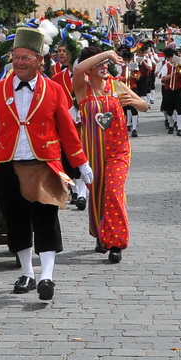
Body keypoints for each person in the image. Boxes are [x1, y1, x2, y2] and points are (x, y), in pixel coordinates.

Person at [0, 27, 90, 303]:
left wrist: (81, 164)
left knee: (46, 220)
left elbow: (68, 131)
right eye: (16, 57)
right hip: (8, 164)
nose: (20, 62)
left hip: (44, 164)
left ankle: (47, 275)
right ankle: (27, 272)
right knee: (17, 221)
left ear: (40, 61)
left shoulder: (55, 89)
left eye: (26, 58)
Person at [72, 48, 147, 264]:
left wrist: (130, 102)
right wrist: (107, 53)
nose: (105, 67)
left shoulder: (117, 85)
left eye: (106, 64)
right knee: (96, 195)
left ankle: (116, 243)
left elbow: (144, 105)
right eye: (99, 64)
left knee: (113, 192)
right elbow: (78, 69)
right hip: (93, 151)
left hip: (118, 151)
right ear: (90, 69)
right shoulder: (82, 89)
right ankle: (101, 234)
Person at [157, 48, 181, 136]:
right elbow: (163, 78)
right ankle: (171, 125)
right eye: (169, 58)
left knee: (179, 109)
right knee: (169, 110)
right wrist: (172, 75)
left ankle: (179, 128)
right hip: (168, 90)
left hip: (179, 90)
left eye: (172, 57)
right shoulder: (166, 66)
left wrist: (178, 69)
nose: (171, 59)